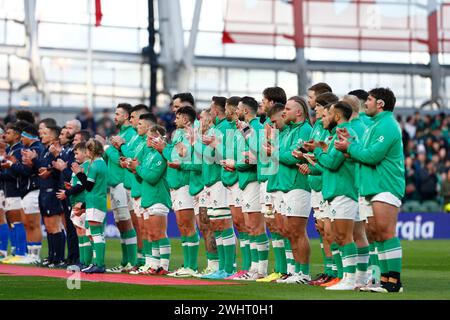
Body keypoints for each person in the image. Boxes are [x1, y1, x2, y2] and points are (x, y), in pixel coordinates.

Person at [335, 87, 405, 293]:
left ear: (381, 104)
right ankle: (382, 280)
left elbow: (372, 156)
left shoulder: (388, 126)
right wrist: (351, 143)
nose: (366, 103)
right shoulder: (375, 125)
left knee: (386, 231)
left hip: (385, 184)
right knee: (375, 233)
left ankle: (394, 282)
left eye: (370, 100)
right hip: (371, 184)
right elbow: (362, 152)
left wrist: (349, 148)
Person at [303, 101, 360, 291]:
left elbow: (333, 162)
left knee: (345, 236)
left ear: (336, 116)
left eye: (327, 115)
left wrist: (317, 151)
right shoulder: (339, 134)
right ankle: (347, 277)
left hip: (343, 189)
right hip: (335, 189)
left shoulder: (344, 134)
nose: (322, 119)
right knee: (338, 235)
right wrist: (317, 156)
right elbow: (328, 162)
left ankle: (350, 279)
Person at [130, 124, 172, 275]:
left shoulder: (161, 155)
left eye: (149, 137)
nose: (146, 140)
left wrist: (138, 168)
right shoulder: (149, 154)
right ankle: (154, 265)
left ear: (158, 138)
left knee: (159, 233)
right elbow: (142, 178)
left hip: (158, 196)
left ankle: (164, 266)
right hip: (148, 197)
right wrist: (135, 169)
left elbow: (152, 177)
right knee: (151, 233)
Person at [103, 103, 139, 273]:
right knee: (121, 225)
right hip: (114, 185)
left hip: (122, 183)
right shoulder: (121, 134)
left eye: (117, 114)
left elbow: (122, 159)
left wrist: (107, 149)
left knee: (127, 223)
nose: (114, 117)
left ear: (126, 116)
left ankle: (132, 261)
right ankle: (125, 262)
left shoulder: (131, 134)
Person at [73, 139, 108, 274]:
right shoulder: (102, 163)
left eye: (87, 150)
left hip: (94, 201)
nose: (86, 152)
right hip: (98, 200)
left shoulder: (94, 166)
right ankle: (96, 262)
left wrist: (78, 173)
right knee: (93, 233)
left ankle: (99, 264)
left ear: (92, 151)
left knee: (95, 233)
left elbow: (88, 186)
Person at [10, 125, 45, 264]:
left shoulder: (36, 149)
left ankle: (35, 256)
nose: (22, 139)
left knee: (33, 223)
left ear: (30, 137)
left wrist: (13, 164)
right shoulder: (32, 149)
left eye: (24, 136)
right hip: (27, 190)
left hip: (34, 189)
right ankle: (30, 254)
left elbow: (27, 171)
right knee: (27, 223)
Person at [56, 142, 92, 271]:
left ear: (86, 153)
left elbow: (84, 185)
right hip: (75, 201)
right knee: (79, 232)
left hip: (81, 202)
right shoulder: (80, 166)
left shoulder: (87, 166)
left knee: (83, 232)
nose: (75, 156)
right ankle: (82, 261)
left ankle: (86, 261)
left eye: (77, 153)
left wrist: (68, 192)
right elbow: (77, 183)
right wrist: (70, 187)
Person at [0, 124, 28, 264]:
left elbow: (16, 173)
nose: (5, 135)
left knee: (17, 221)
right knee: (12, 221)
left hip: (16, 190)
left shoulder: (17, 151)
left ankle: (22, 252)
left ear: (16, 136)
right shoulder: (11, 150)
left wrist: (4, 169)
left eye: (8, 132)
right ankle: (16, 251)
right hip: (8, 190)